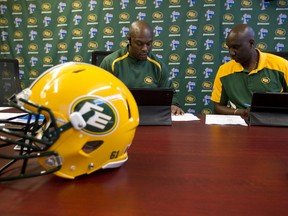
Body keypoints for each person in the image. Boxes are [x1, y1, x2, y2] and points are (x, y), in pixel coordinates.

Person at [100, 20, 184, 115]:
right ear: (129, 40)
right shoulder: (110, 63)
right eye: (139, 43)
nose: (145, 49)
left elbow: (170, 94)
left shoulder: (158, 66)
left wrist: (173, 105)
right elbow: (99, 96)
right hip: (119, 116)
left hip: (151, 117)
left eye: (148, 44)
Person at [211, 24, 288, 117]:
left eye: (236, 47)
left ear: (251, 43)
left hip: (273, 122)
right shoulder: (224, 71)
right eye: (229, 47)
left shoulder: (281, 65)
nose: (231, 53)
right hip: (239, 125)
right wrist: (241, 112)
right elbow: (218, 106)